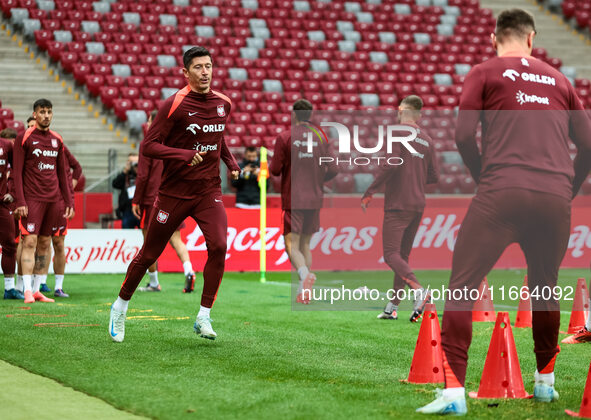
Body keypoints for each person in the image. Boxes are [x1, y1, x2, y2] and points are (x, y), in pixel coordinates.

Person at [417, 9, 591, 415]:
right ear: (532, 39)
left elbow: (462, 136)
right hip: (553, 198)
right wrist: (568, 187)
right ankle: (545, 384)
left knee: (462, 283)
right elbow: (589, 144)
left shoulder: (485, 71)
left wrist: (484, 178)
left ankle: (454, 393)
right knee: (545, 286)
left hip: (502, 191)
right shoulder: (561, 80)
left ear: (495, 39)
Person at [108, 46, 241, 343]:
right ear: (186, 72)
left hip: (208, 190)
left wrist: (231, 164)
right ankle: (120, 306)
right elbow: (149, 147)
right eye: (198, 67)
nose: (205, 72)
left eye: (208, 66)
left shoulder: (224, 103)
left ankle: (203, 316)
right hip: (174, 193)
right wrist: (183, 155)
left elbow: (218, 138)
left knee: (219, 246)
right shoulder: (174, 104)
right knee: (150, 253)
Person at [361, 95, 438, 322]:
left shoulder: (397, 132)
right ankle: (392, 307)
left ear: (401, 109)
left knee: (391, 254)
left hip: (398, 203)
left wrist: (370, 191)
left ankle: (419, 291)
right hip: (417, 203)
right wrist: (414, 175)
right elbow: (434, 176)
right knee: (402, 256)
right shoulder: (428, 139)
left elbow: (390, 163)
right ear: (419, 114)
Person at [269, 99, 337, 304]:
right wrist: (317, 180)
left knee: (291, 243)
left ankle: (304, 275)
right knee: (306, 244)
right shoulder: (322, 136)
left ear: (294, 115)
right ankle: (303, 291)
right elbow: (333, 169)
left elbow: (274, 170)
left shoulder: (285, 136)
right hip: (315, 197)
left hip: (294, 197)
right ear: (311, 114)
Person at [13, 98, 74, 304]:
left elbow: (63, 175)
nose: (46, 115)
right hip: (32, 199)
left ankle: (38, 290)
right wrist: (20, 201)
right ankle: (27, 291)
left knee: (45, 244)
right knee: (29, 241)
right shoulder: (25, 137)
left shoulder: (57, 140)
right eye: (42, 112)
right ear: (35, 114)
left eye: (49, 111)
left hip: (53, 201)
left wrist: (68, 202)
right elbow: (17, 173)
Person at [131, 110, 197, 293]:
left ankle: (153, 282)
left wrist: (136, 200)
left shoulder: (148, 143)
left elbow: (143, 176)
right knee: (176, 240)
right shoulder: (175, 142)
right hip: (174, 197)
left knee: (149, 243)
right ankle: (189, 270)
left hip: (153, 199)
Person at [0, 129, 21, 299]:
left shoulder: (6, 145)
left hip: (1, 203)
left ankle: (9, 289)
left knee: (9, 244)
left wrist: (13, 192)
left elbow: (18, 168)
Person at [112, 153, 139, 229]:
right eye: (133, 163)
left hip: (140, 208)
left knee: (144, 232)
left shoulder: (144, 174)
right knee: (127, 231)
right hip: (127, 210)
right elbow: (115, 184)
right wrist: (125, 171)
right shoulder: (125, 175)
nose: (136, 165)